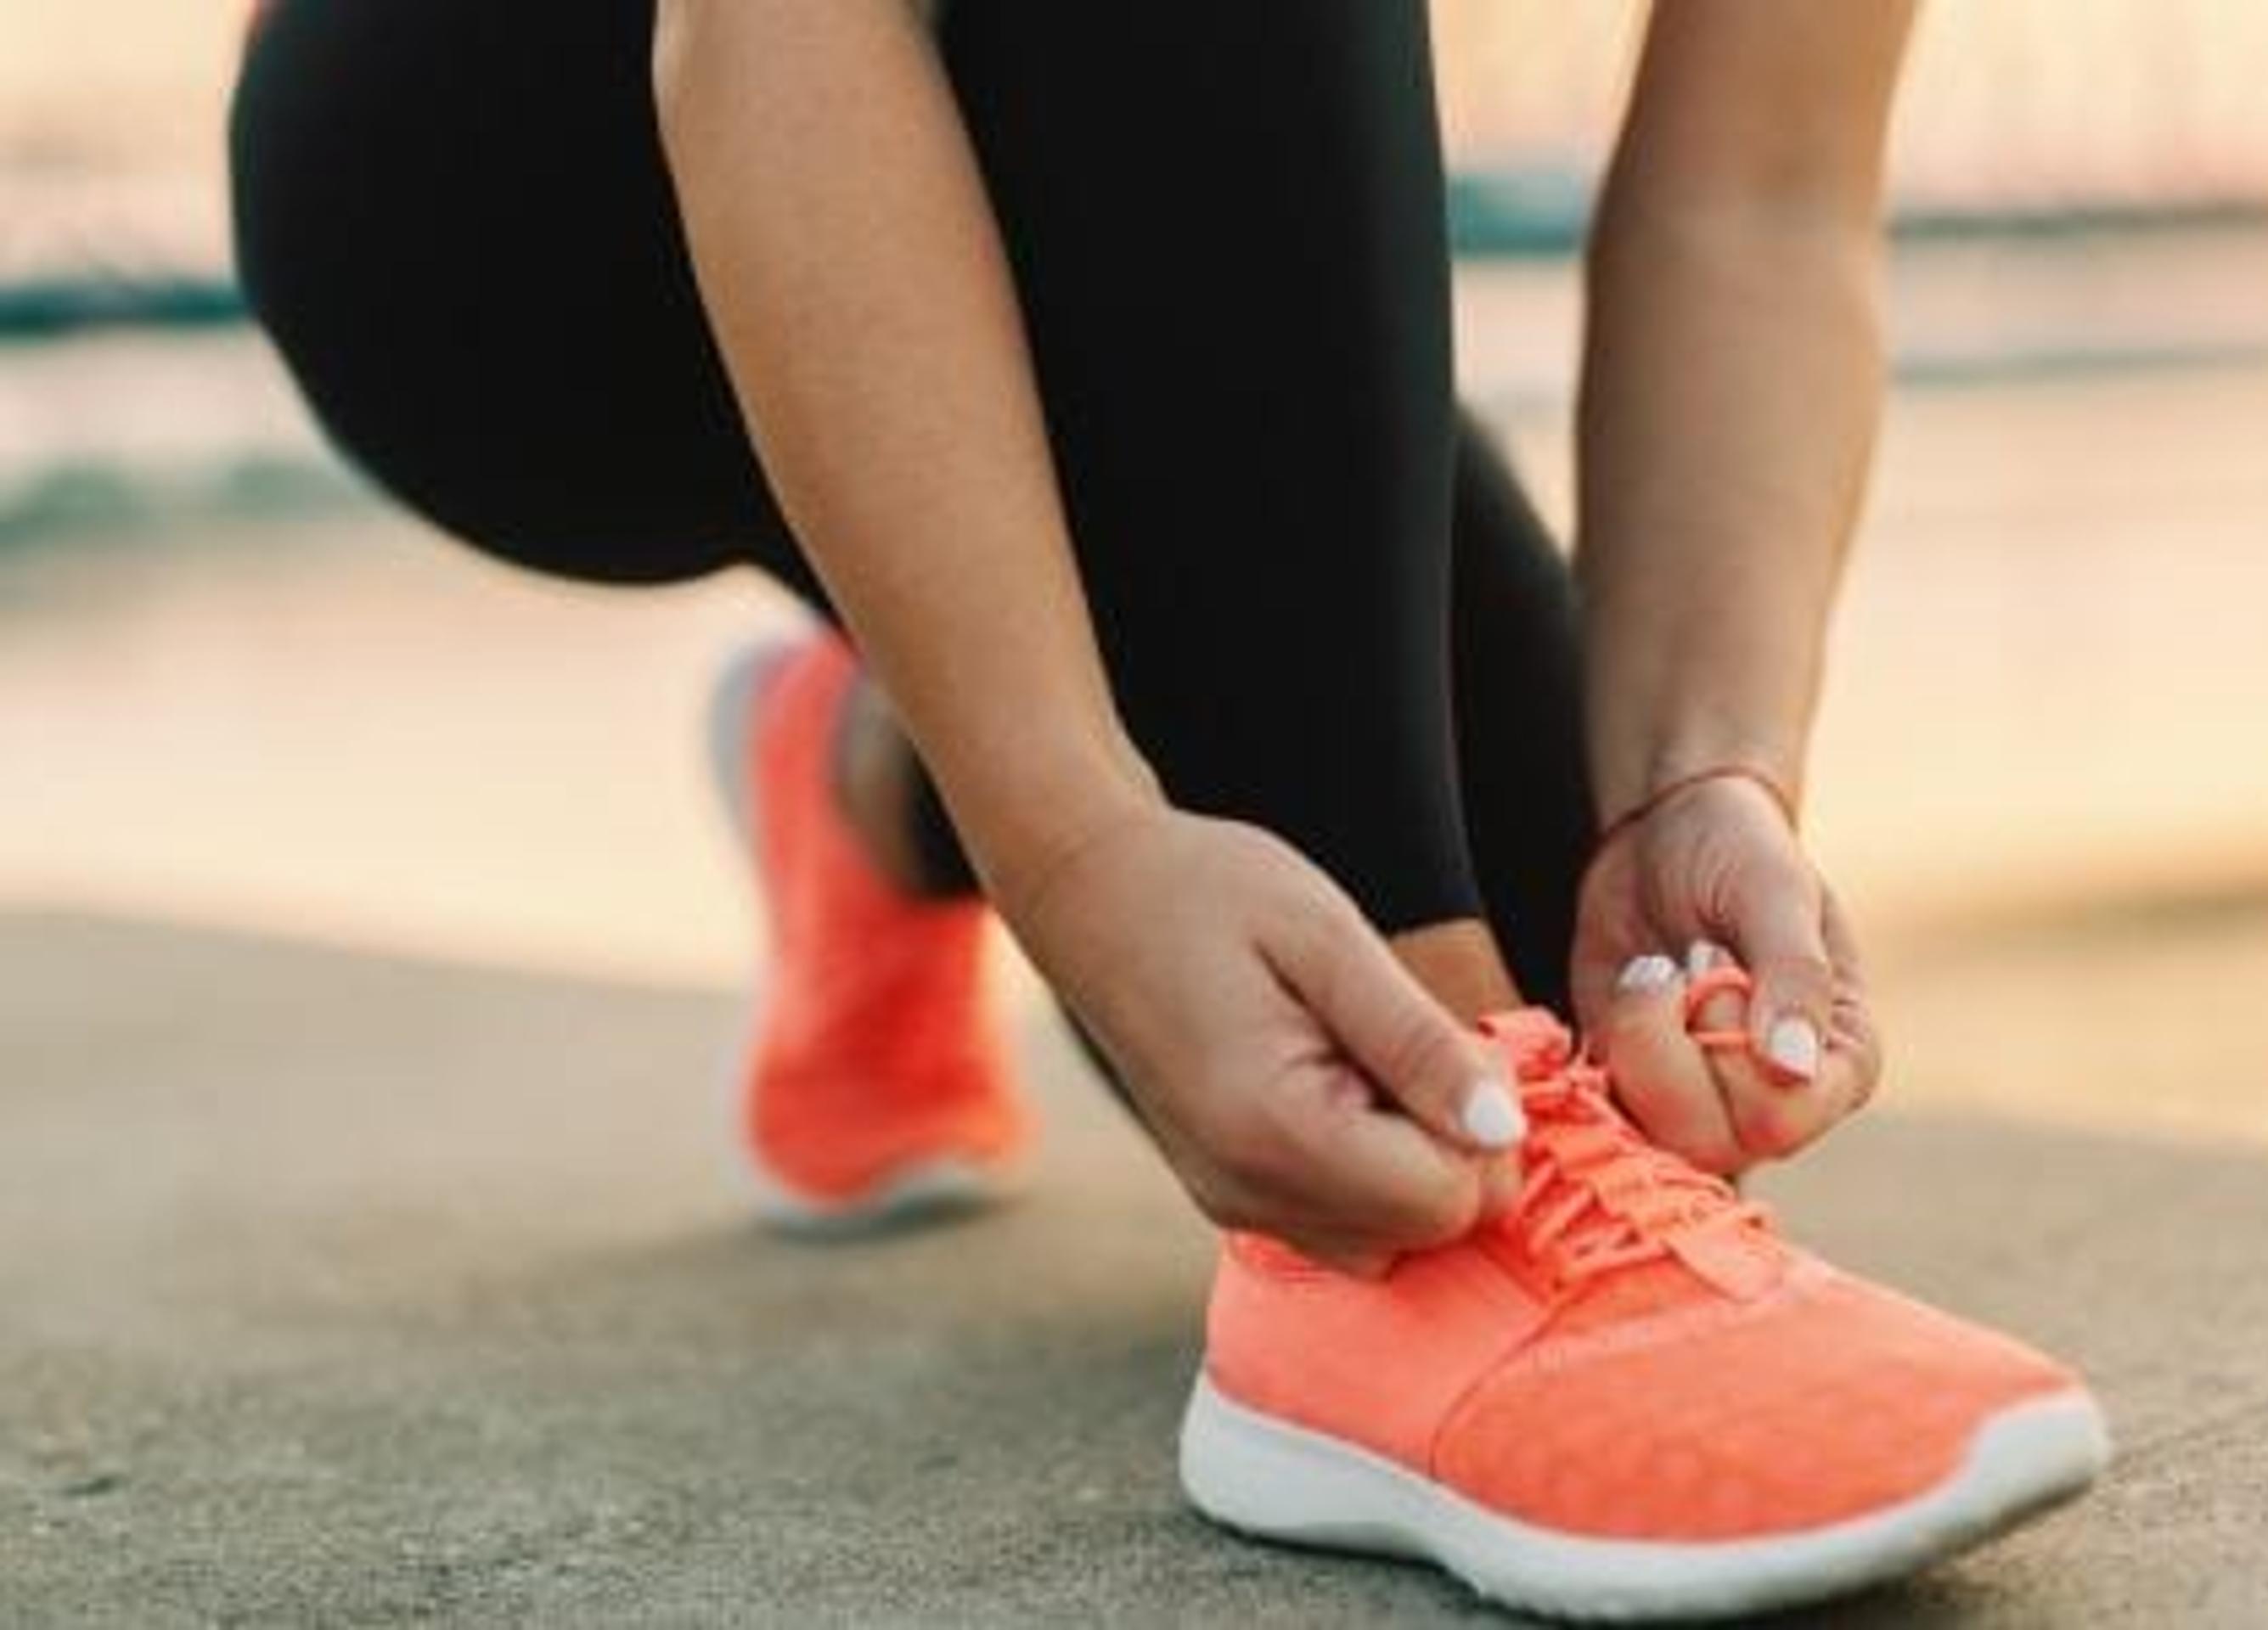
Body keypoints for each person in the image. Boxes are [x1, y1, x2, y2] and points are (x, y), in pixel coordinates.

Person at [229, 0, 2107, 1615]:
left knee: (1561, 994)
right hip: (506, 191)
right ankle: (1378, 1231)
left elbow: (1759, 188)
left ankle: (866, 779)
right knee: (1414, 1088)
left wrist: (1706, 776)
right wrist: (1072, 839)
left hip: (1105, 201)